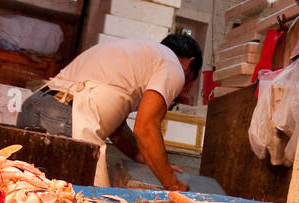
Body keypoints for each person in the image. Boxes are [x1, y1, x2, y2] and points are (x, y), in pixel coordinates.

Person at [17, 33, 201, 190]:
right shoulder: (174, 66)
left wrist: (149, 159)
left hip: (35, 105)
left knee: (32, 199)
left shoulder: (140, 55)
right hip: (63, 118)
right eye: (188, 84)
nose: (182, 90)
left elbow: (117, 128)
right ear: (189, 64)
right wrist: (173, 184)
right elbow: (146, 128)